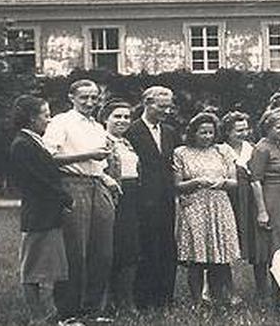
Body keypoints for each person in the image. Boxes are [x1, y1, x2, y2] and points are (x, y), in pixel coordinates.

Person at [42, 79, 119, 323]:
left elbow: (99, 163)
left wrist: (106, 177)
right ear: (71, 97)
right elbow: (48, 157)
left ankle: (92, 310)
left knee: (102, 252)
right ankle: (68, 313)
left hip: (98, 185)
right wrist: (89, 155)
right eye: (84, 97)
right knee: (75, 252)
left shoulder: (97, 126)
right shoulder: (60, 122)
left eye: (94, 98)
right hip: (72, 186)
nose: (89, 102)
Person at [8, 95, 73, 326]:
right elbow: (39, 181)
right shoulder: (23, 144)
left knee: (46, 267)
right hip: (38, 215)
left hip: (47, 214)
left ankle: (47, 314)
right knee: (32, 268)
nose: (49, 119)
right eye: (45, 115)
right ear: (31, 118)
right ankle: (36, 318)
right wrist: (65, 198)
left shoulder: (33, 141)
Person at [172, 112, 240, 306]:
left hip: (219, 203)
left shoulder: (223, 150)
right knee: (197, 255)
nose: (207, 136)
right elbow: (177, 184)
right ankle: (197, 300)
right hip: (194, 204)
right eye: (203, 132)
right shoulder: (181, 152)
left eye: (211, 132)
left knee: (219, 252)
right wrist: (196, 182)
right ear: (193, 133)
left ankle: (221, 296)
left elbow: (234, 182)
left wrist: (222, 182)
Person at [124, 86, 179, 309]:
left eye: (169, 106)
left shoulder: (169, 132)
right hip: (141, 198)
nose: (166, 111)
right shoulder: (131, 130)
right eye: (161, 106)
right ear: (147, 102)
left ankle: (165, 297)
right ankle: (144, 298)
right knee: (146, 247)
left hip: (166, 198)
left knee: (167, 246)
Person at [247, 110, 280, 299]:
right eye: (279, 127)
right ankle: (263, 291)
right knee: (267, 244)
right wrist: (262, 211)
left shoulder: (279, 146)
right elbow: (255, 180)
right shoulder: (262, 148)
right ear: (268, 128)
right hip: (270, 197)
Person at [100, 100, 141, 315]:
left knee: (130, 248)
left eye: (126, 117)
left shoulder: (127, 143)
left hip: (132, 196)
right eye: (117, 116)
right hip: (111, 196)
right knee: (109, 247)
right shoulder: (100, 141)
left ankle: (127, 300)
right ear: (105, 118)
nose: (123, 121)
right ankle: (106, 302)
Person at [219, 111, 255, 262]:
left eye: (246, 129)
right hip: (228, 195)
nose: (244, 133)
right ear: (228, 131)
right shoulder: (220, 150)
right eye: (239, 130)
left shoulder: (252, 148)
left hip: (249, 196)